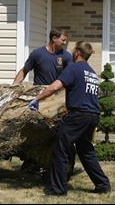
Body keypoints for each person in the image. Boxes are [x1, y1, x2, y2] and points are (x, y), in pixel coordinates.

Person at [29, 41, 111, 195]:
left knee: (60, 147)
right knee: (86, 151)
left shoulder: (73, 68)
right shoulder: (92, 73)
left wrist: (37, 99)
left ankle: (58, 189)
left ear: (78, 53)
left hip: (79, 116)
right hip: (92, 116)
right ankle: (103, 185)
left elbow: (55, 87)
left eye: (73, 50)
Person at [13, 27, 83, 177]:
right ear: (54, 39)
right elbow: (24, 71)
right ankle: (31, 164)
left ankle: (65, 167)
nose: (65, 43)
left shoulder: (66, 56)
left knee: (60, 135)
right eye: (63, 40)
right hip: (41, 99)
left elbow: (71, 76)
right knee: (37, 133)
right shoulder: (38, 54)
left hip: (59, 101)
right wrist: (13, 89)